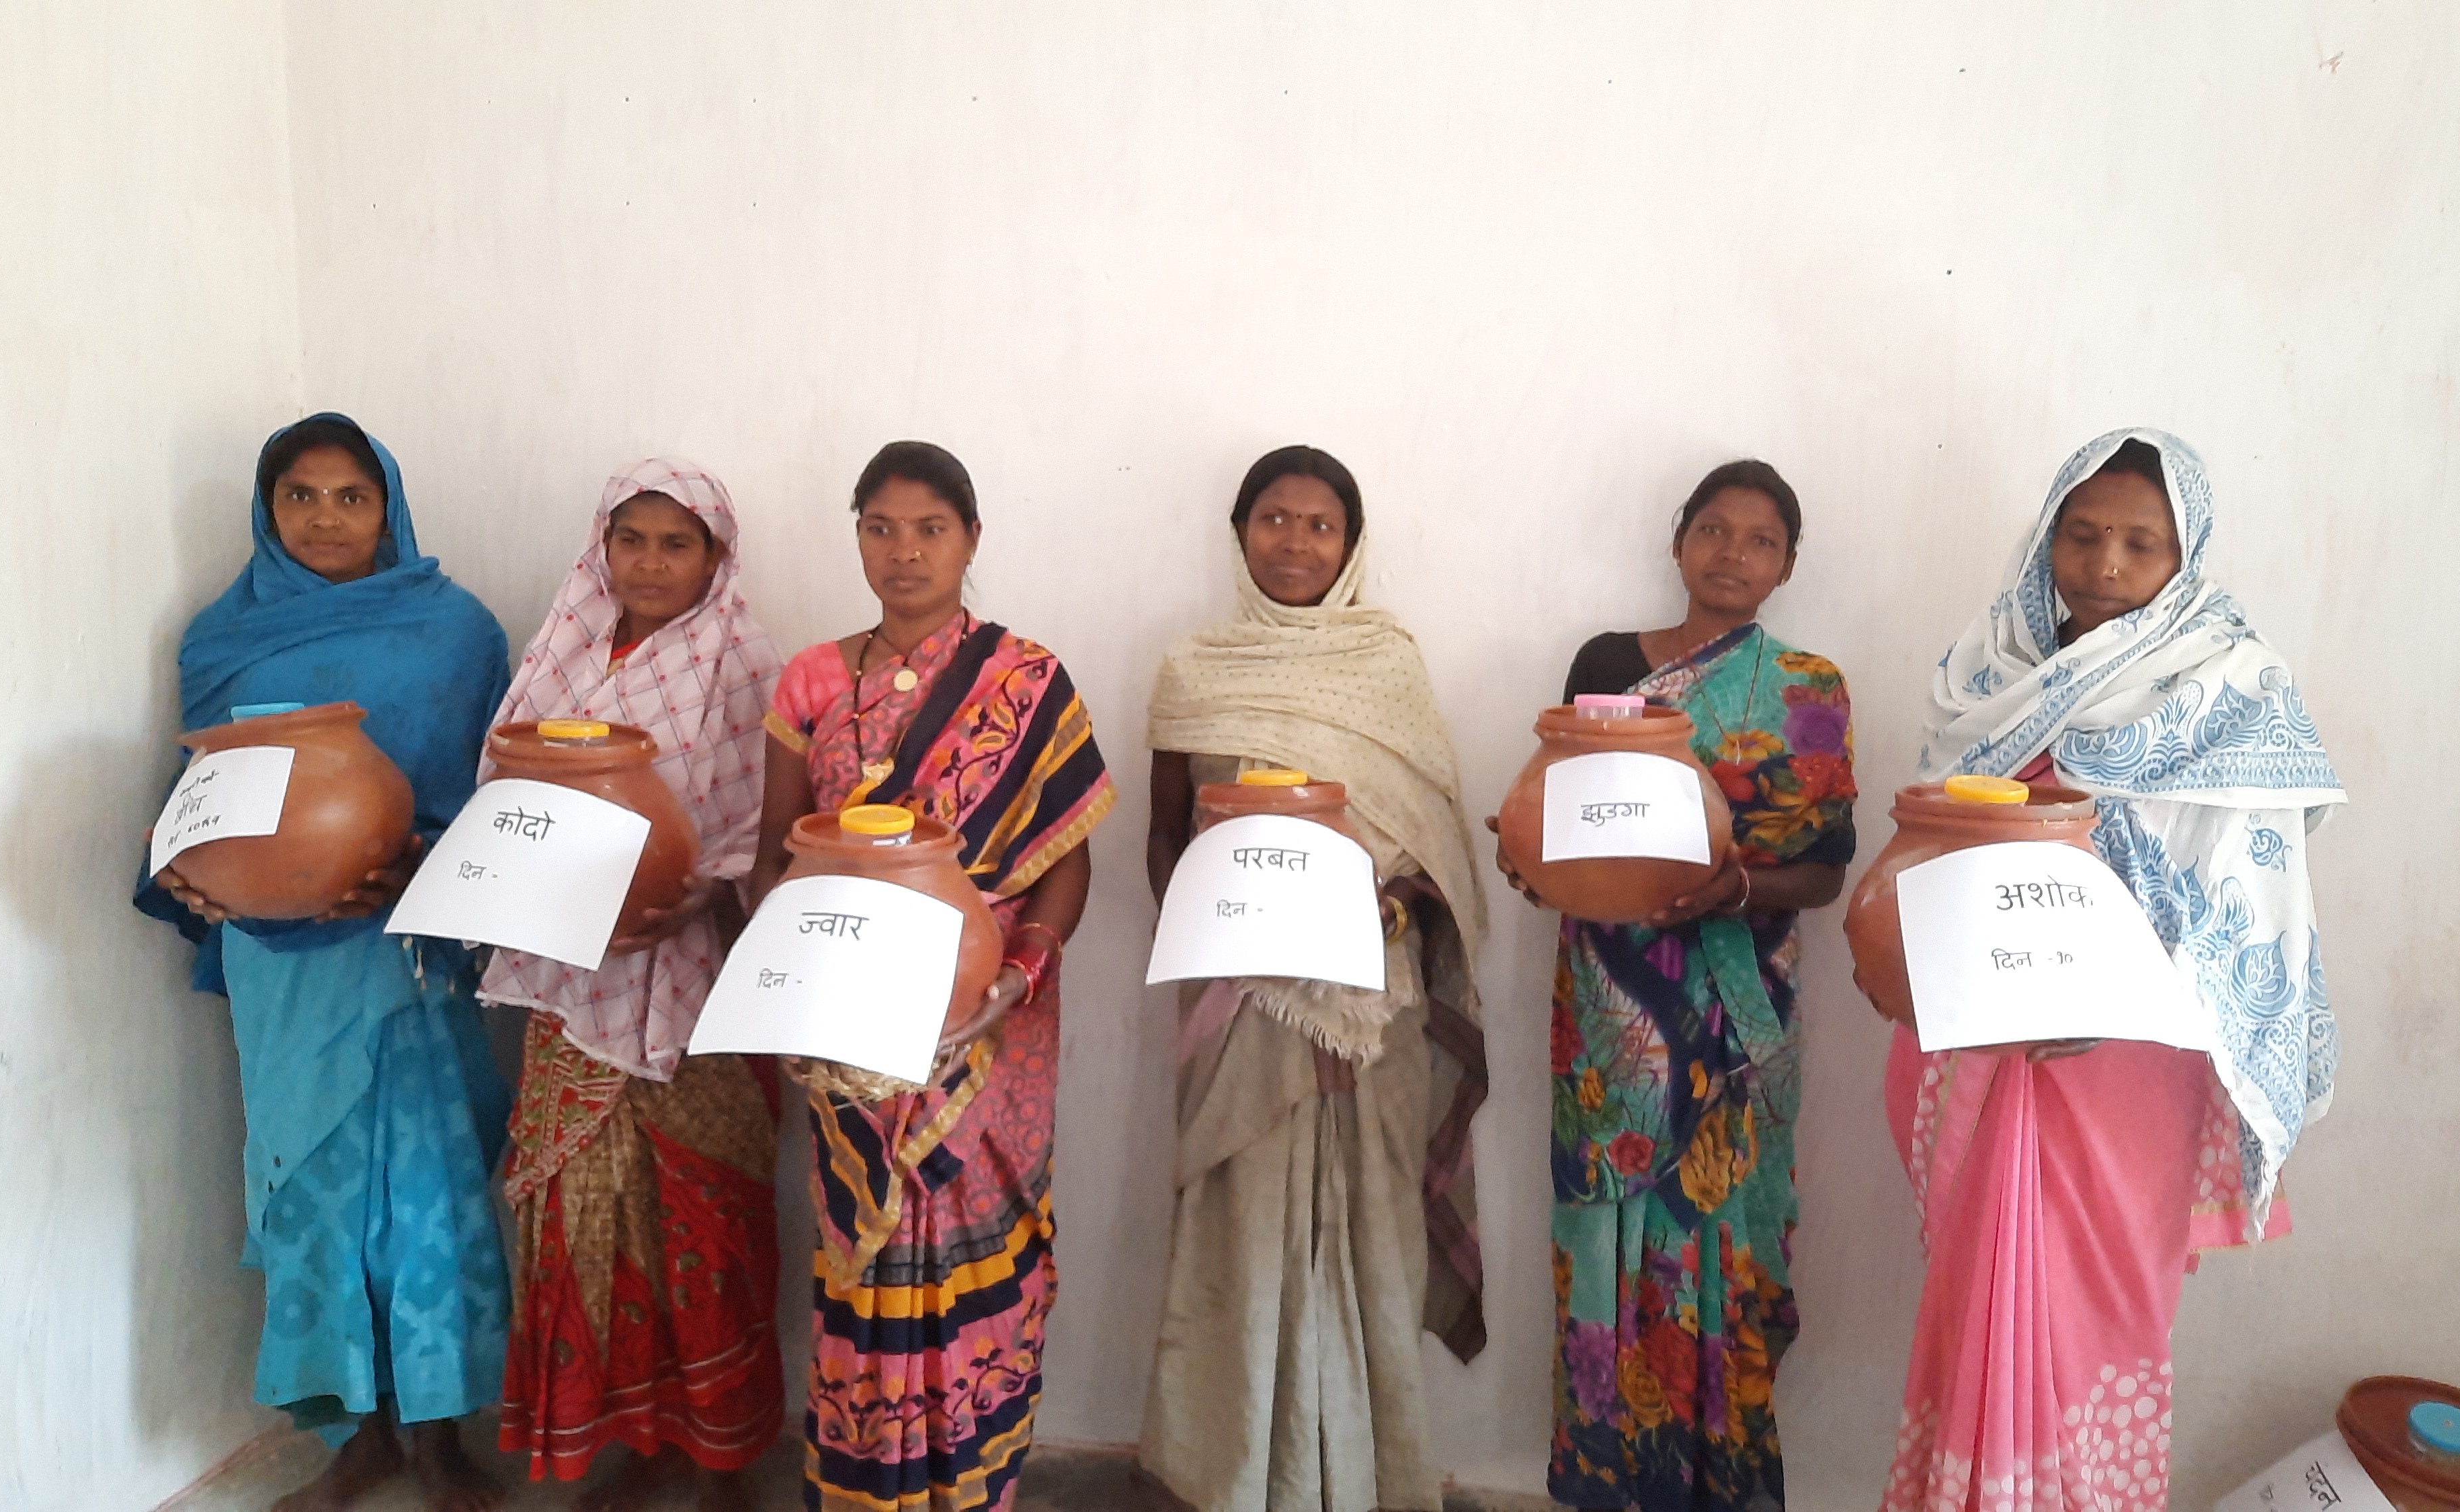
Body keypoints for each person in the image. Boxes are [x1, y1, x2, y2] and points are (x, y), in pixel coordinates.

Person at [1883, 430, 2342, 1511]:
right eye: (2082, 535)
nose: (2103, 564)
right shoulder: (1988, 672)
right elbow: (1930, 845)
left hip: (2129, 1059)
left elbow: (2250, 899)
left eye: (2141, 542)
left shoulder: (2233, 687)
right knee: (1980, 1298)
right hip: (1988, 1041)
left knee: (2099, 1304)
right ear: (2048, 539)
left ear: (2187, 556)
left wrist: (2103, 983)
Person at [137, 414, 514, 1512]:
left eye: (352, 496)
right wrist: (190, 879)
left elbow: (495, 803)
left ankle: (440, 1436)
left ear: (388, 504)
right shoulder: (221, 638)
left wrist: (413, 862)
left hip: (406, 955)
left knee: (430, 1198)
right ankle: (355, 1434)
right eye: (301, 496)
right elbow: (192, 811)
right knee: (314, 1198)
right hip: (279, 969)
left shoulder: (455, 632)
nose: (326, 518)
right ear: (267, 510)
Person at [751, 440, 1114, 1512]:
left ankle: (975, 1484)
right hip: (849, 1024)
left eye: (929, 529)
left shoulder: (1030, 679)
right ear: (855, 531)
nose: (903, 552)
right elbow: (776, 850)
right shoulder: (813, 678)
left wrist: (1024, 973)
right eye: (880, 527)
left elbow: (1066, 862)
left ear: (971, 538)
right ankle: (870, 1489)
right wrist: (796, 992)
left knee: (972, 1243)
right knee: (861, 1253)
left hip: (989, 1022)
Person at [1498, 459, 1857, 1512]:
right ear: (1677, 540)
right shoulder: (1606, 662)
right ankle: (1617, 1476)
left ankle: (1722, 1480)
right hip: (1612, 1003)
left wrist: (1733, 884)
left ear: (1788, 563)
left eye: (1758, 539)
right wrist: (1530, 860)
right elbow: (1559, 812)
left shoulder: (1813, 689)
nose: (1731, 553)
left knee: (1727, 1226)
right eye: (1712, 528)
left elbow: (1830, 868)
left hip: (1742, 1004)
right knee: (1611, 1214)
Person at [1139, 444, 1490, 1512]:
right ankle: (1236, 1473)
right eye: (1274, 520)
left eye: (1319, 524)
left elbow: (1437, 852)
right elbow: (1163, 839)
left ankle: (1368, 1479)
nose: (1295, 542)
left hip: (1372, 1005)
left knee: (1371, 1226)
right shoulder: (1195, 667)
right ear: (1240, 534)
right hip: (1240, 1000)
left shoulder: (1389, 667)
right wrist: (1221, 929)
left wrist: (1393, 903)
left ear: (1352, 543)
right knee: (1239, 1224)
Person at [478, 460, 786, 1511]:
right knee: (583, 1220)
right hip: (570, 984)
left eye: (677, 543)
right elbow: (503, 786)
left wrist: (696, 899)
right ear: (602, 547)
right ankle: (638, 1440)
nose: (651, 564)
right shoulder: (561, 646)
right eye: (633, 540)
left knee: (708, 1221)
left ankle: (720, 1459)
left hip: (694, 982)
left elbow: (760, 829)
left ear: (715, 556)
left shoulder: (743, 660)